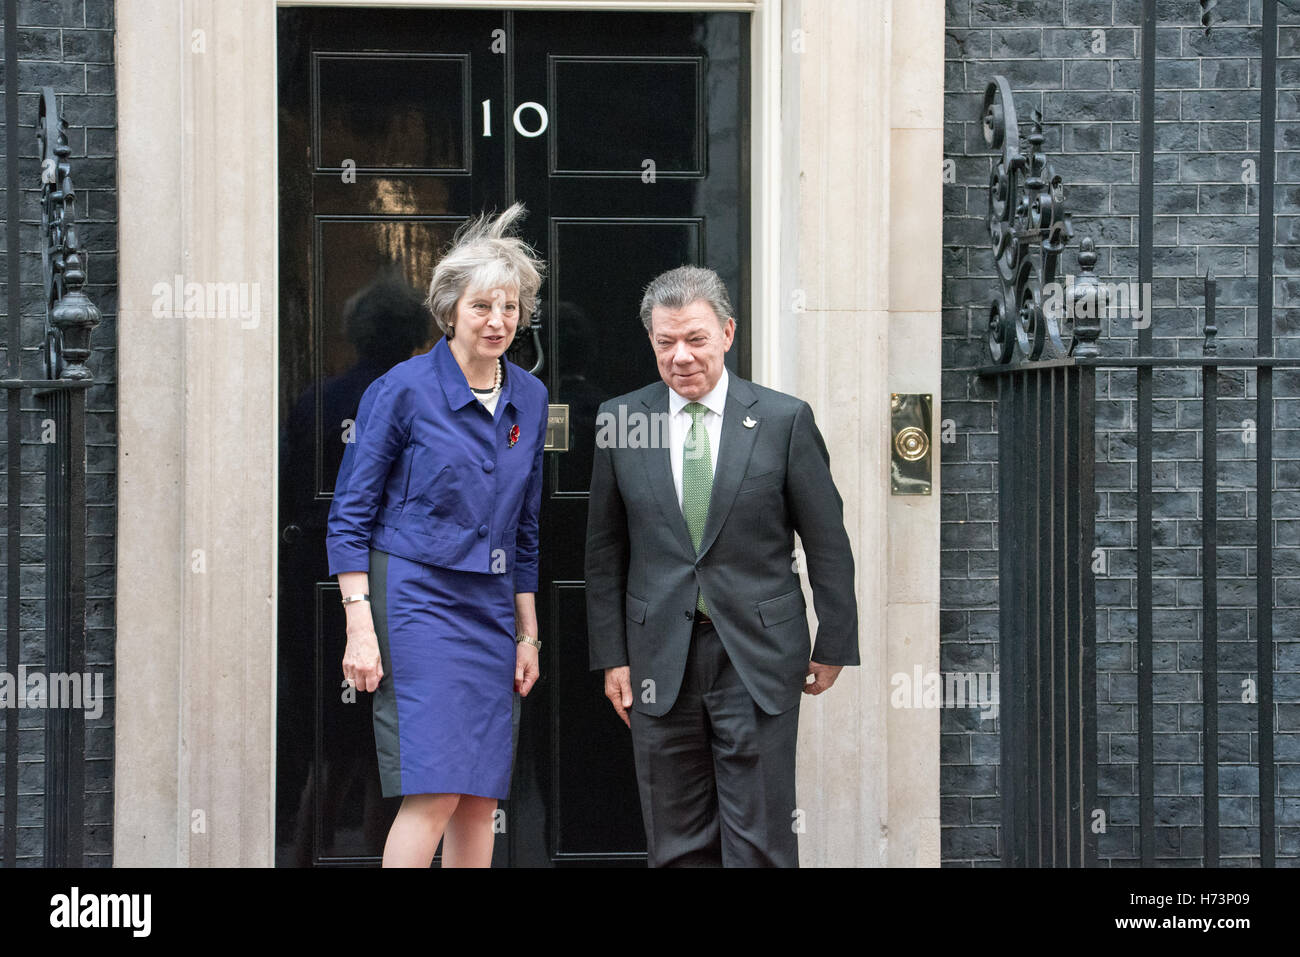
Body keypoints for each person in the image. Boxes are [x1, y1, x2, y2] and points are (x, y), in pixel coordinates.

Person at [585, 265, 859, 867]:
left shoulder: (785, 420)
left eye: (696, 339)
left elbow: (827, 540)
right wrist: (612, 656)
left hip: (757, 657)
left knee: (759, 839)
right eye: (666, 342)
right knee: (676, 843)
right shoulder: (621, 421)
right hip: (659, 659)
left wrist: (834, 639)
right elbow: (604, 552)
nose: (681, 356)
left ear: (728, 333)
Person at [326, 204, 548, 868]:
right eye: (482, 305)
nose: (498, 321)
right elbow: (350, 514)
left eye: (509, 307)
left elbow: (526, 526)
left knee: (481, 795)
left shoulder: (531, 397)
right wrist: (359, 625)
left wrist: (528, 633)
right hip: (416, 598)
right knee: (436, 789)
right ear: (450, 310)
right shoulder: (402, 390)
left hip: (491, 605)